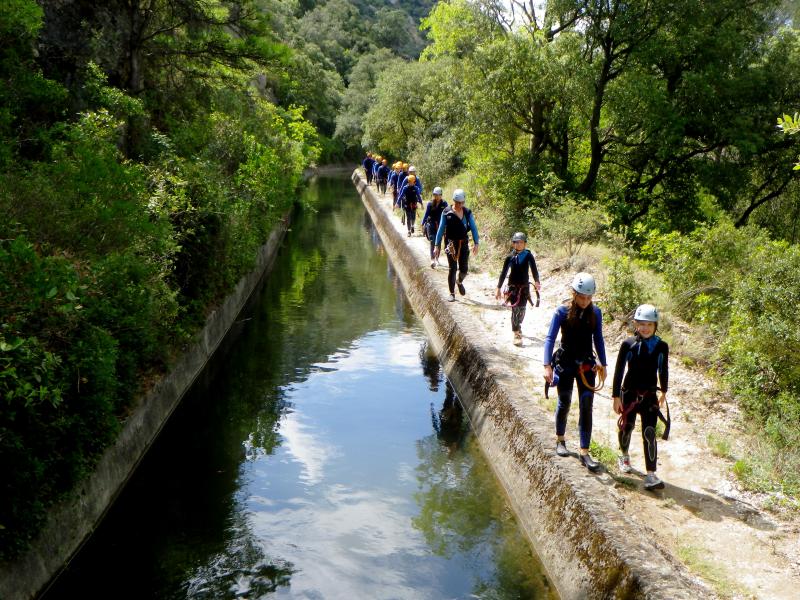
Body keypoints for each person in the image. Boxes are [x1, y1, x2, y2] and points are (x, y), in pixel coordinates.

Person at [543, 273, 607, 472]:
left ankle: (584, 451)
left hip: (587, 365)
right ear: (574, 294)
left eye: (589, 298)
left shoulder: (595, 313)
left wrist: (603, 364)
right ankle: (560, 439)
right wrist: (547, 366)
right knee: (565, 401)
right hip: (565, 363)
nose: (585, 301)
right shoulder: (561, 312)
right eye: (581, 297)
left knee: (586, 406)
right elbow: (550, 338)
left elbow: (598, 339)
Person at [612, 304, 669, 490]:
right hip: (629, 394)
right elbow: (619, 371)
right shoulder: (628, 345)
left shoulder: (661, 346)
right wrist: (616, 396)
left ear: (655, 326)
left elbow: (663, 370)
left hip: (650, 396)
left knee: (649, 432)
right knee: (627, 427)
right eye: (642, 324)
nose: (646, 328)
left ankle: (651, 474)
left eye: (650, 325)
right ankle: (624, 456)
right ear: (636, 324)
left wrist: (664, 392)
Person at [495, 232, 541, 346]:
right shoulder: (510, 257)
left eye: (521, 242)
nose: (518, 244)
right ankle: (516, 333)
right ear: (513, 244)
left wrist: (537, 281)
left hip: (524, 288)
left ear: (525, 244)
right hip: (513, 288)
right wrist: (498, 288)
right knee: (515, 310)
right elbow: (503, 273)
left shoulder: (528, 256)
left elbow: (534, 269)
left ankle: (518, 325)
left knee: (522, 310)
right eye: (516, 242)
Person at [433, 189, 479, 302]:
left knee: (464, 269)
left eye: (462, 202)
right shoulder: (446, 212)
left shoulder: (467, 212)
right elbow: (441, 229)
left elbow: (473, 228)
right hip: (451, 244)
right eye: (458, 202)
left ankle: (459, 282)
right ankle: (452, 293)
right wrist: (436, 245)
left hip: (463, 243)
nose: (460, 205)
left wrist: (476, 243)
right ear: (454, 201)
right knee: (452, 268)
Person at [421, 187, 448, 269]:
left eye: (437, 195)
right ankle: (432, 259)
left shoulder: (444, 204)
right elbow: (426, 214)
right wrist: (422, 223)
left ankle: (437, 258)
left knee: (438, 242)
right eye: (435, 195)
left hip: (440, 226)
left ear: (441, 195)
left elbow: (448, 214)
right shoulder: (430, 204)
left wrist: (447, 225)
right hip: (431, 225)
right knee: (432, 241)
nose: (436, 196)